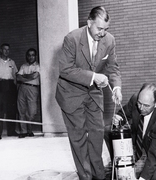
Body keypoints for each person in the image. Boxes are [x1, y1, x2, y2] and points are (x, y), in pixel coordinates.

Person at [55, 6, 122, 180]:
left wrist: (116, 87)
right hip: (71, 94)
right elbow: (65, 70)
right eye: (99, 29)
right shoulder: (72, 39)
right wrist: (93, 76)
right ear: (89, 22)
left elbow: (113, 68)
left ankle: (99, 176)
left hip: (94, 94)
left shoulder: (109, 40)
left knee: (97, 135)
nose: (103, 33)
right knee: (79, 139)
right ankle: (86, 177)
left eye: (106, 29)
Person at [113, 83, 156, 180]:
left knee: (155, 176)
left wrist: (142, 178)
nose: (141, 108)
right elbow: (125, 113)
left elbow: (153, 155)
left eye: (146, 105)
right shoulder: (135, 99)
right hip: (146, 140)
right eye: (139, 103)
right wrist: (119, 117)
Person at [0, 43, 19, 140]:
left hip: (10, 86)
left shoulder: (12, 63)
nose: (6, 51)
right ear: (0, 50)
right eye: (4, 49)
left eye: (8, 49)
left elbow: (15, 76)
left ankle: (11, 131)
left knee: (11, 110)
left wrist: (14, 88)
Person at [16, 48, 40, 138]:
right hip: (22, 88)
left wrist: (24, 76)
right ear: (27, 56)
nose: (31, 57)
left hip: (32, 89)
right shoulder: (23, 66)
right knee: (21, 110)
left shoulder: (38, 66)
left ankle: (29, 129)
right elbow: (18, 77)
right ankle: (23, 131)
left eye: (33, 55)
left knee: (32, 111)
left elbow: (35, 75)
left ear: (35, 56)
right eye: (29, 55)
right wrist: (28, 77)